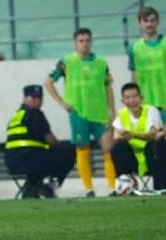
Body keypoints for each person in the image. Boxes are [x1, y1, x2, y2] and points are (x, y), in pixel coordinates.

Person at [44, 28, 116, 197]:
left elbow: (108, 87)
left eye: (87, 40)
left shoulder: (101, 63)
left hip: (100, 113)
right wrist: (62, 103)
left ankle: (113, 187)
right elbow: (48, 82)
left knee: (109, 149)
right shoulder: (66, 62)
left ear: (91, 42)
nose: (84, 44)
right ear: (75, 43)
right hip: (79, 114)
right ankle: (88, 188)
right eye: (81, 41)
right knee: (83, 149)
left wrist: (113, 111)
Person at [4, 85, 76, 198]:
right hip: (31, 162)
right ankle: (50, 186)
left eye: (38, 98)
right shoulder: (35, 114)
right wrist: (58, 147)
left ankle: (31, 188)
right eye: (32, 97)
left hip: (12, 164)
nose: (36, 100)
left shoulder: (16, 115)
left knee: (40, 154)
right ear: (25, 99)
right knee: (69, 150)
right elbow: (51, 141)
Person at [128, 6, 166, 123]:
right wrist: (134, 103)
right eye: (145, 21)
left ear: (158, 22)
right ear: (140, 23)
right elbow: (134, 79)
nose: (149, 24)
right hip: (145, 105)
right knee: (148, 140)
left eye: (152, 20)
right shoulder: (135, 49)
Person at [110, 82, 162, 182]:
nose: (132, 100)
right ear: (123, 101)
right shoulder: (122, 114)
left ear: (141, 98)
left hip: (150, 156)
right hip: (133, 159)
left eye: (134, 96)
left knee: (154, 145)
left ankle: (159, 182)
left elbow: (153, 135)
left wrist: (132, 135)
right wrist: (125, 136)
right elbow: (116, 136)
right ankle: (124, 183)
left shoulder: (151, 110)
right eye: (127, 98)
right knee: (118, 147)